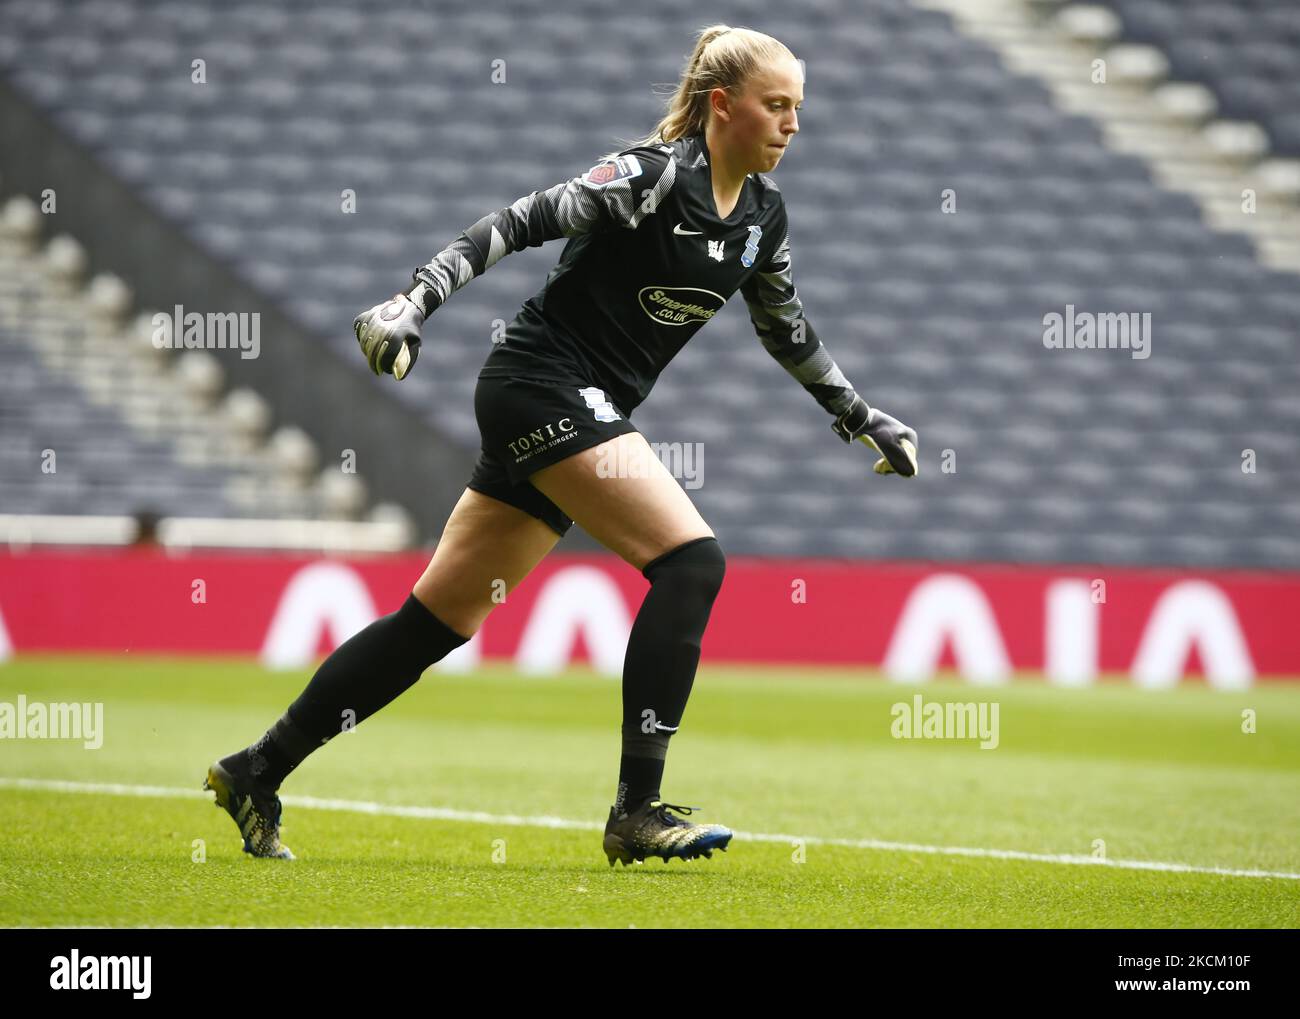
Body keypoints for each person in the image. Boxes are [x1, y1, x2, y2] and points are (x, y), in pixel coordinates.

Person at [204, 23, 918, 867]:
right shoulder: (652, 178)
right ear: (722, 106)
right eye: (776, 105)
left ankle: (258, 767)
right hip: (538, 384)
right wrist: (415, 299)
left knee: (433, 623)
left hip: (572, 406)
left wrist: (862, 415)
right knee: (691, 563)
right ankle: (637, 809)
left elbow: (787, 330)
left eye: (799, 107)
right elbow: (520, 219)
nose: (792, 123)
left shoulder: (763, 216)